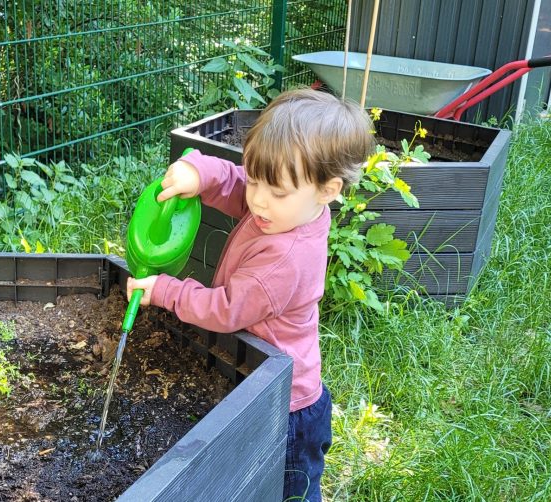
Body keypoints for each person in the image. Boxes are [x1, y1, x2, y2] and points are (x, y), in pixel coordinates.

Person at [126, 88, 374, 501]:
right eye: (256, 178)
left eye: (275, 192)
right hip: (261, 373)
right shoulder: (290, 206)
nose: (257, 198)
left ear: (328, 190)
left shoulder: (285, 259)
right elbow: (237, 184)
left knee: (291, 490)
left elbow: (225, 310)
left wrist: (167, 290)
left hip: (289, 407)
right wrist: (199, 171)